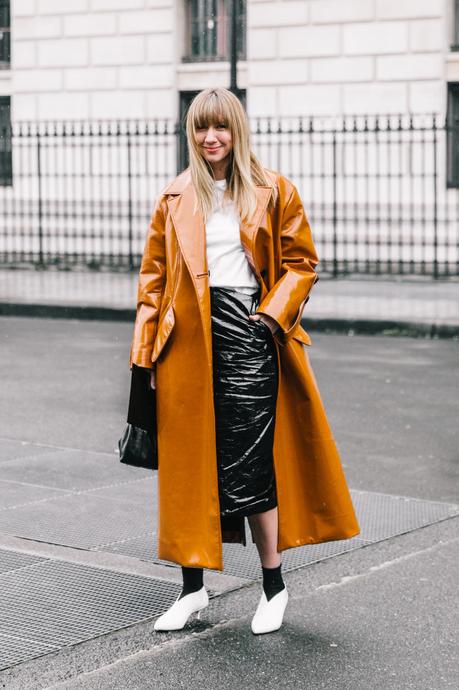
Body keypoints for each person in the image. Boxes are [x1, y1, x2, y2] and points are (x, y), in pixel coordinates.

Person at [129, 87, 360, 636]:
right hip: (185, 341)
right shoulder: (175, 197)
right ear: (192, 133)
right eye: (202, 128)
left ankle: (274, 586)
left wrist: (268, 318)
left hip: (249, 333)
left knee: (251, 463)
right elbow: (153, 283)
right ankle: (191, 591)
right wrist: (144, 359)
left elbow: (301, 263)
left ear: (237, 130)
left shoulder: (273, 189)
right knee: (189, 465)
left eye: (222, 127)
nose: (212, 138)